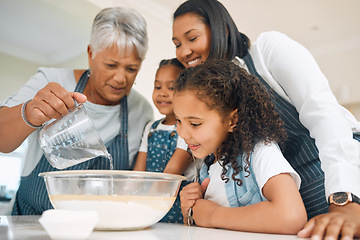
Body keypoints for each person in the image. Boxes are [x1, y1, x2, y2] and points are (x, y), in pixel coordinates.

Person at [171, 0, 360, 239]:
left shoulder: (268, 51)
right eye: (177, 44)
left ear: (224, 31)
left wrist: (345, 201)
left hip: (346, 183)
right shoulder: (215, 105)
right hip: (302, 206)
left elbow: (326, 117)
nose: (183, 52)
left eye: (192, 38)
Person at [0, 7, 153, 215]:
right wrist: (29, 113)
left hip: (98, 230)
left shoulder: (142, 110)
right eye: (111, 65)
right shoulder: (50, 81)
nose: (120, 78)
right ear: (91, 54)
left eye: (131, 69)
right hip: (31, 224)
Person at [173, 59, 307, 234]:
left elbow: (292, 216)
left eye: (195, 124)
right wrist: (190, 212)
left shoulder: (260, 152)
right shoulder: (206, 165)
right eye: (178, 120)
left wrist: (214, 214)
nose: (182, 133)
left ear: (233, 120)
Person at [133, 58, 194, 223]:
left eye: (171, 87)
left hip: (176, 206)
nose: (162, 93)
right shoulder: (151, 128)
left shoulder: (188, 128)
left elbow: (170, 174)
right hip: (150, 205)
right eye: (157, 86)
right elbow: (139, 174)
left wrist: (146, 203)